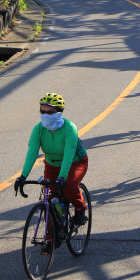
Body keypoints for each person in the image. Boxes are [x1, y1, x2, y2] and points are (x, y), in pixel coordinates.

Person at [14, 93, 89, 235]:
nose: (45, 115)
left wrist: (62, 177)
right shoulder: (38, 129)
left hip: (75, 162)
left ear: (59, 113)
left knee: (69, 185)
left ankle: (80, 208)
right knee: (49, 200)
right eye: (42, 111)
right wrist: (23, 176)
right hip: (52, 164)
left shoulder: (69, 128)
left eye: (50, 112)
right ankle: (50, 237)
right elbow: (32, 153)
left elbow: (68, 154)